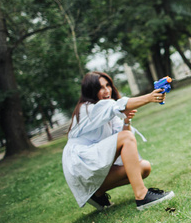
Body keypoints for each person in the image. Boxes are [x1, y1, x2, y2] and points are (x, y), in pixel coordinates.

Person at [62, 71, 174, 211]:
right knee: (126, 139)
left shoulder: (108, 111)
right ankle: (142, 196)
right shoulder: (88, 108)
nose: (106, 90)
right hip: (80, 165)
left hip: (93, 161)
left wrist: (126, 121)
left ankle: (97, 193)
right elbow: (117, 109)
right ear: (91, 91)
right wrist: (150, 97)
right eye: (100, 88)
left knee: (144, 167)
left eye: (108, 85)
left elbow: (123, 137)